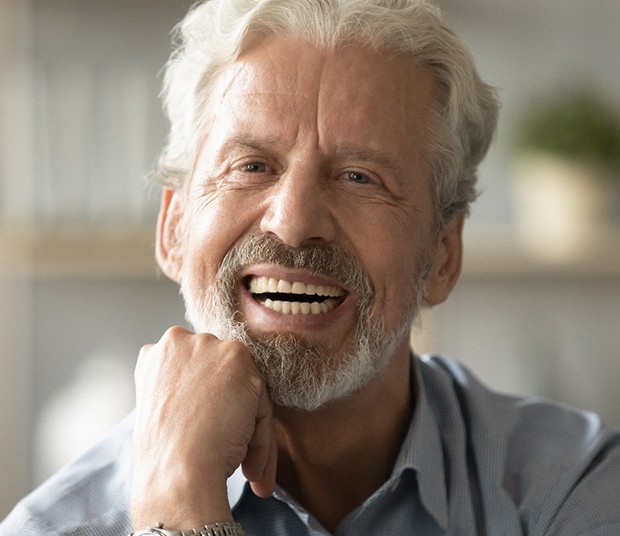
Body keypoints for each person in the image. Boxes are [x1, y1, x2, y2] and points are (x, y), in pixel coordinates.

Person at [3, 1, 620, 535]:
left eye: (360, 177)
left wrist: (183, 517)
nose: (294, 222)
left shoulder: (573, 489)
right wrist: (177, 497)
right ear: (173, 228)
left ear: (443, 255)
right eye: (251, 166)